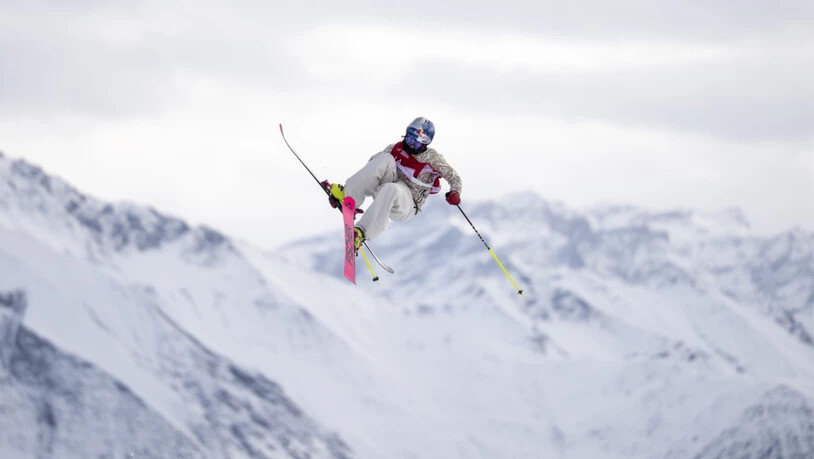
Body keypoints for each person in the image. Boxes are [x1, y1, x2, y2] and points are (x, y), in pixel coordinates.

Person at [322, 117, 463, 250]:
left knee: (391, 189)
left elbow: (453, 176)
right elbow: (373, 165)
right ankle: (348, 197)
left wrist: (455, 191)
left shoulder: (432, 158)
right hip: (388, 187)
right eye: (409, 138)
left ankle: (362, 232)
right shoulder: (395, 148)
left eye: (416, 142)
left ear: (425, 143)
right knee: (385, 158)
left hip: (407, 202)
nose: (410, 144)